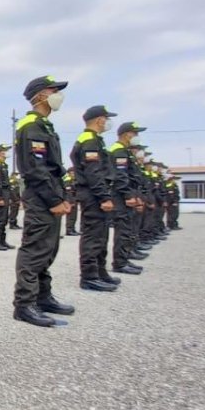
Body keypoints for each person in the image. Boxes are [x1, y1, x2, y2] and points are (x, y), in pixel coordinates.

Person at [12, 76, 76, 328]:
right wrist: (53, 199)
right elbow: (35, 169)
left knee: (48, 249)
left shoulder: (45, 126)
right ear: (39, 95)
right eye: (53, 90)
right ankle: (24, 304)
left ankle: (42, 296)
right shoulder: (31, 126)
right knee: (34, 250)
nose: (58, 95)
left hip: (49, 197)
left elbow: (52, 168)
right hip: (40, 199)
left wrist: (62, 197)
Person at [71, 105, 123, 292]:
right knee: (92, 236)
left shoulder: (95, 141)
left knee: (101, 235)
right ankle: (89, 276)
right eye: (106, 118)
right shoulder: (89, 141)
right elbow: (93, 173)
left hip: (96, 194)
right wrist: (103, 196)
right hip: (92, 195)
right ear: (99, 120)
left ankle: (100, 272)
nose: (108, 121)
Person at [108, 122, 146, 276]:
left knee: (127, 229)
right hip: (120, 197)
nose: (136, 137)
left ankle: (124, 258)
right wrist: (128, 195)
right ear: (125, 134)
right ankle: (119, 263)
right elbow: (121, 176)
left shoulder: (125, 151)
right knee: (123, 230)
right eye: (134, 133)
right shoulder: (119, 151)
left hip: (125, 196)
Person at [63, 169, 81, 237]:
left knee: (74, 216)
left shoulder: (73, 180)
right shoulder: (67, 180)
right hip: (70, 199)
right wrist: (70, 201)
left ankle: (73, 229)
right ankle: (69, 230)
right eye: (72, 173)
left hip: (74, 199)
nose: (73, 174)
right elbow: (68, 192)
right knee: (70, 216)